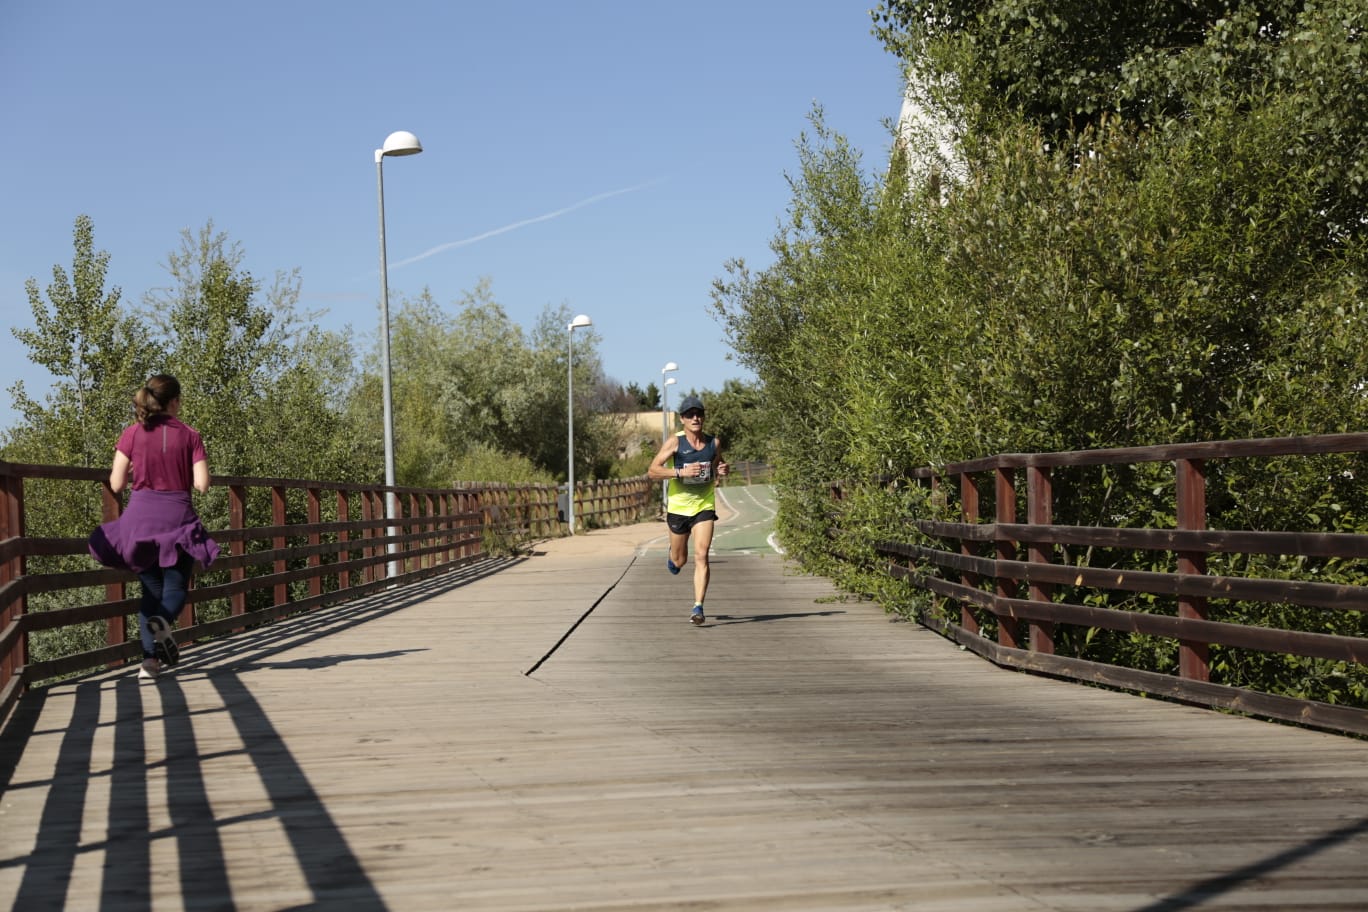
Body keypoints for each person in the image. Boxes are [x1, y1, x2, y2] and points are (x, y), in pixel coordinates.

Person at [88, 375, 219, 680]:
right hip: (177, 520)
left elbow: (116, 483)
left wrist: (137, 469)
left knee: (151, 590)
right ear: (174, 402)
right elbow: (202, 485)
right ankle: (162, 622)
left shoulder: (132, 433)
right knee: (175, 588)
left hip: (139, 522)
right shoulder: (190, 435)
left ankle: (149, 663)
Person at [648, 394, 728, 625]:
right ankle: (673, 557)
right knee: (679, 561)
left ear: (703, 417)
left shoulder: (713, 443)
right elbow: (653, 471)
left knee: (702, 554)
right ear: (682, 419)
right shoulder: (675, 442)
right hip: (679, 508)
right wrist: (680, 472)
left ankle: (698, 607)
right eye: (690, 415)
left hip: (704, 506)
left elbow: (718, 465)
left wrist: (722, 470)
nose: (695, 418)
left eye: (699, 414)